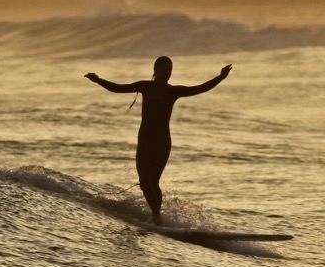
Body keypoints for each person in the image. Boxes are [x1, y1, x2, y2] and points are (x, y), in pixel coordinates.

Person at [85, 56, 232, 224]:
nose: (167, 74)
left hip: (162, 141)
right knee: (144, 182)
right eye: (164, 70)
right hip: (145, 140)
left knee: (153, 181)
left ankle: (156, 216)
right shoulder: (145, 86)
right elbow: (118, 88)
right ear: (155, 70)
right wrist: (98, 80)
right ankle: (157, 216)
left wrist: (220, 77)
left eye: (169, 71)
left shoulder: (173, 91)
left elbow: (200, 88)